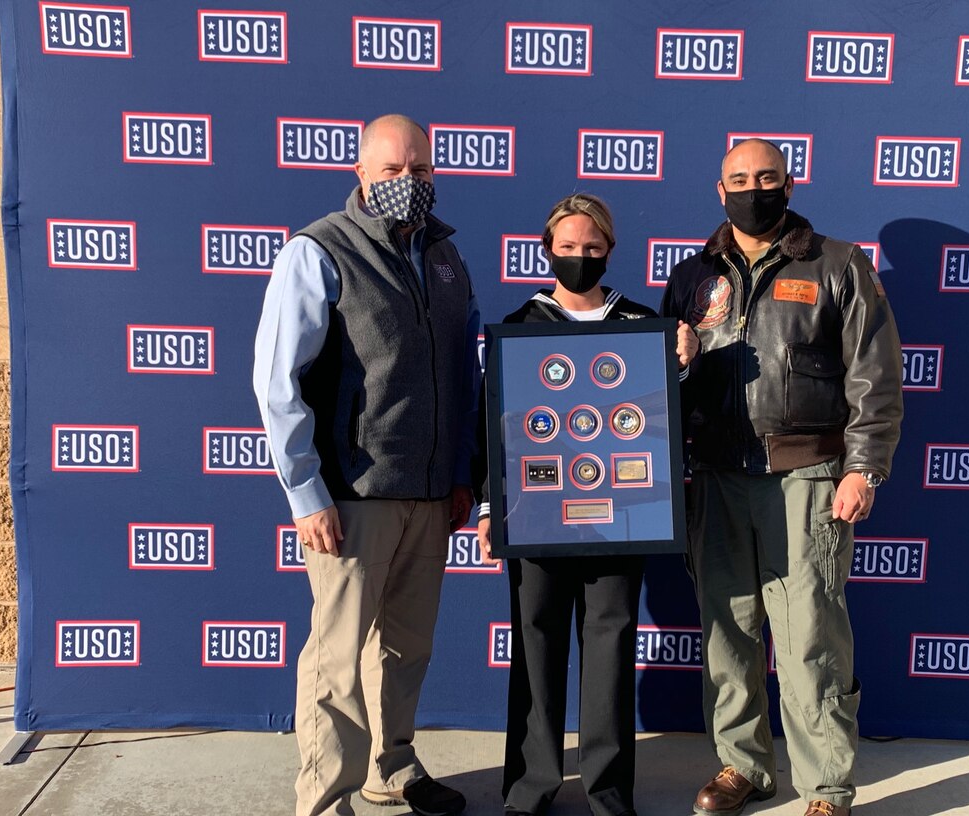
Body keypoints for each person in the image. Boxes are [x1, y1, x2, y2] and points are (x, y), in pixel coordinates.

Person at [660, 139, 903, 816]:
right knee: (728, 632)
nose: (753, 188)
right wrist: (673, 364)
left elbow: (875, 380)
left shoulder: (838, 265)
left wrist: (864, 470)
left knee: (810, 635)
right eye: (739, 178)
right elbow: (654, 391)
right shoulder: (692, 276)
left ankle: (825, 785)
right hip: (714, 477)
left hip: (808, 478)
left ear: (789, 184)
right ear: (719, 189)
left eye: (766, 177)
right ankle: (742, 767)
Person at [253, 114, 479, 816]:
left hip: (431, 491)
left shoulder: (445, 257)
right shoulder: (319, 251)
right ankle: (324, 799)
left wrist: (462, 473)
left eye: (418, 171)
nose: (406, 183)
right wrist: (304, 491)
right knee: (337, 659)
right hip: (352, 493)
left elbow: (460, 375)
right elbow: (276, 380)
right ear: (360, 174)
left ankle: (393, 766)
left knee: (405, 647)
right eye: (391, 171)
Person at [475, 193, 699, 816]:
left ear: (610, 252)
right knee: (536, 641)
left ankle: (607, 792)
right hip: (536, 514)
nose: (580, 258)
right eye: (568, 248)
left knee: (610, 646)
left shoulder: (640, 322)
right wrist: (492, 509)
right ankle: (530, 787)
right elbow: (496, 431)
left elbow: (659, 418)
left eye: (592, 249)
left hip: (621, 514)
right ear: (547, 250)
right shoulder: (519, 326)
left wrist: (682, 364)